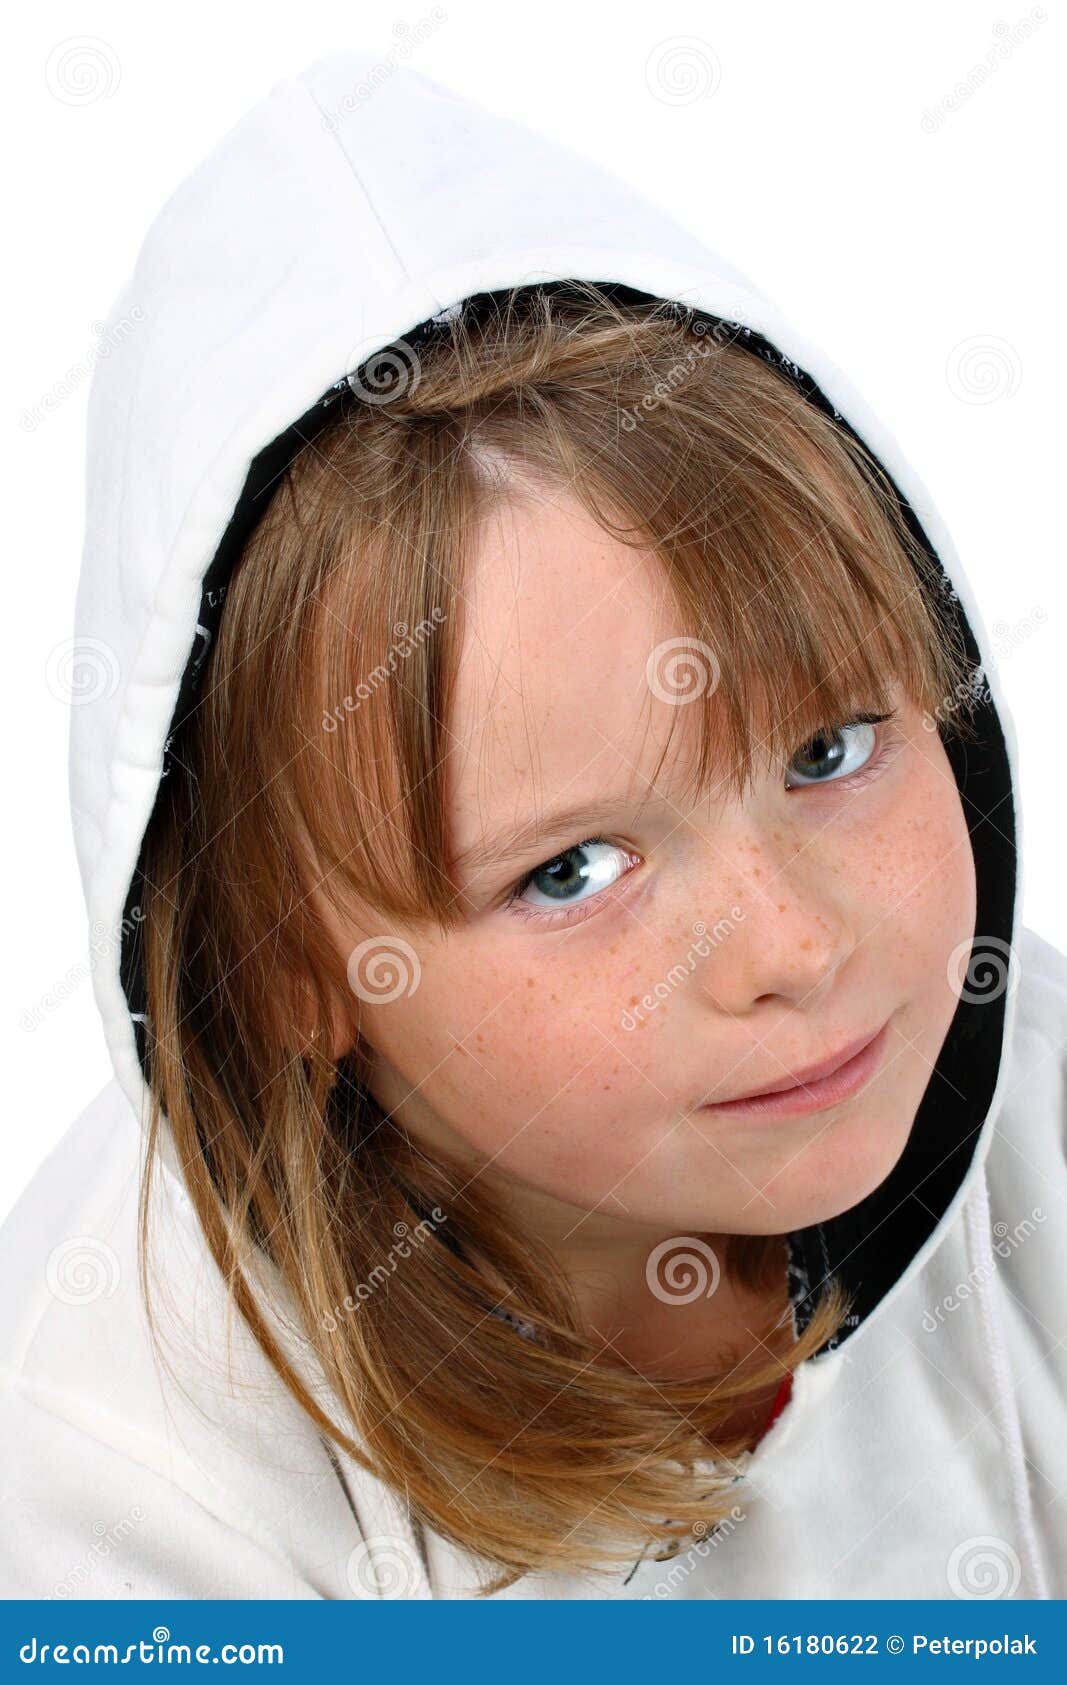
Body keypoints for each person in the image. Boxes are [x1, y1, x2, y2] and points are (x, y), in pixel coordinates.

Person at [2, 48, 1064, 1603]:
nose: (797, 941)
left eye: (832, 747)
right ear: (288, 967)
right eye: (573, 869)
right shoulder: (123, 1484)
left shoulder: (1026, 1077)